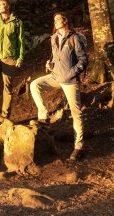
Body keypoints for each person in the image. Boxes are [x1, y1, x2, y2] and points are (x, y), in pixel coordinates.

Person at [30, 12, 87, 161]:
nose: (55, 22)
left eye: (57, 19)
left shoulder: (74, 38)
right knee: (34, 85)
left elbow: (83, 60)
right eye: (54, 20)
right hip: (55, 76)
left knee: (76, 113)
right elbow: (56, 59)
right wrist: (50, 65)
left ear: (65, 21)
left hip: (69, 80)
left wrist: (71, 73)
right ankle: (44, 117)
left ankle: (78, 147)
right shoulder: (53, 38)